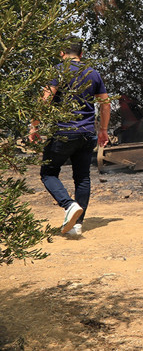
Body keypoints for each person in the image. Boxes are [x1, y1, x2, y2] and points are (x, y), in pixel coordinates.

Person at [30, 39, 110, 238]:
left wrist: (34, 125)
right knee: (82, 177)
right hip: (87, 133)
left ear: (61, 53)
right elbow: (106, 104)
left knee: (48, 173)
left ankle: (69, 205)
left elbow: (46, 98)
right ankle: (77, 225)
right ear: (81, 54)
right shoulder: (93, 73)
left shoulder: (58, 70)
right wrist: (103, 130)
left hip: (63, 131)